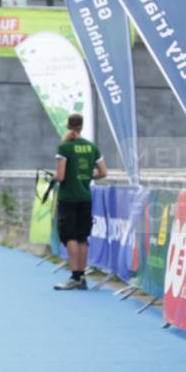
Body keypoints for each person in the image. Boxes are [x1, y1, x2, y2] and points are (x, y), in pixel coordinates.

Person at [53, 113, 106, 290]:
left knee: (70, 237)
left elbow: (61, 176)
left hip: (68, 198)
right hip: (85, 197)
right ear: (81, 127)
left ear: (68, 126)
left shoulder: (64, 147)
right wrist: (89, 176)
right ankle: (81, 277)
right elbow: (103, 172)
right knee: (82, 238)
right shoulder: (92, 147)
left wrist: (54, 177)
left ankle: (74, 276)